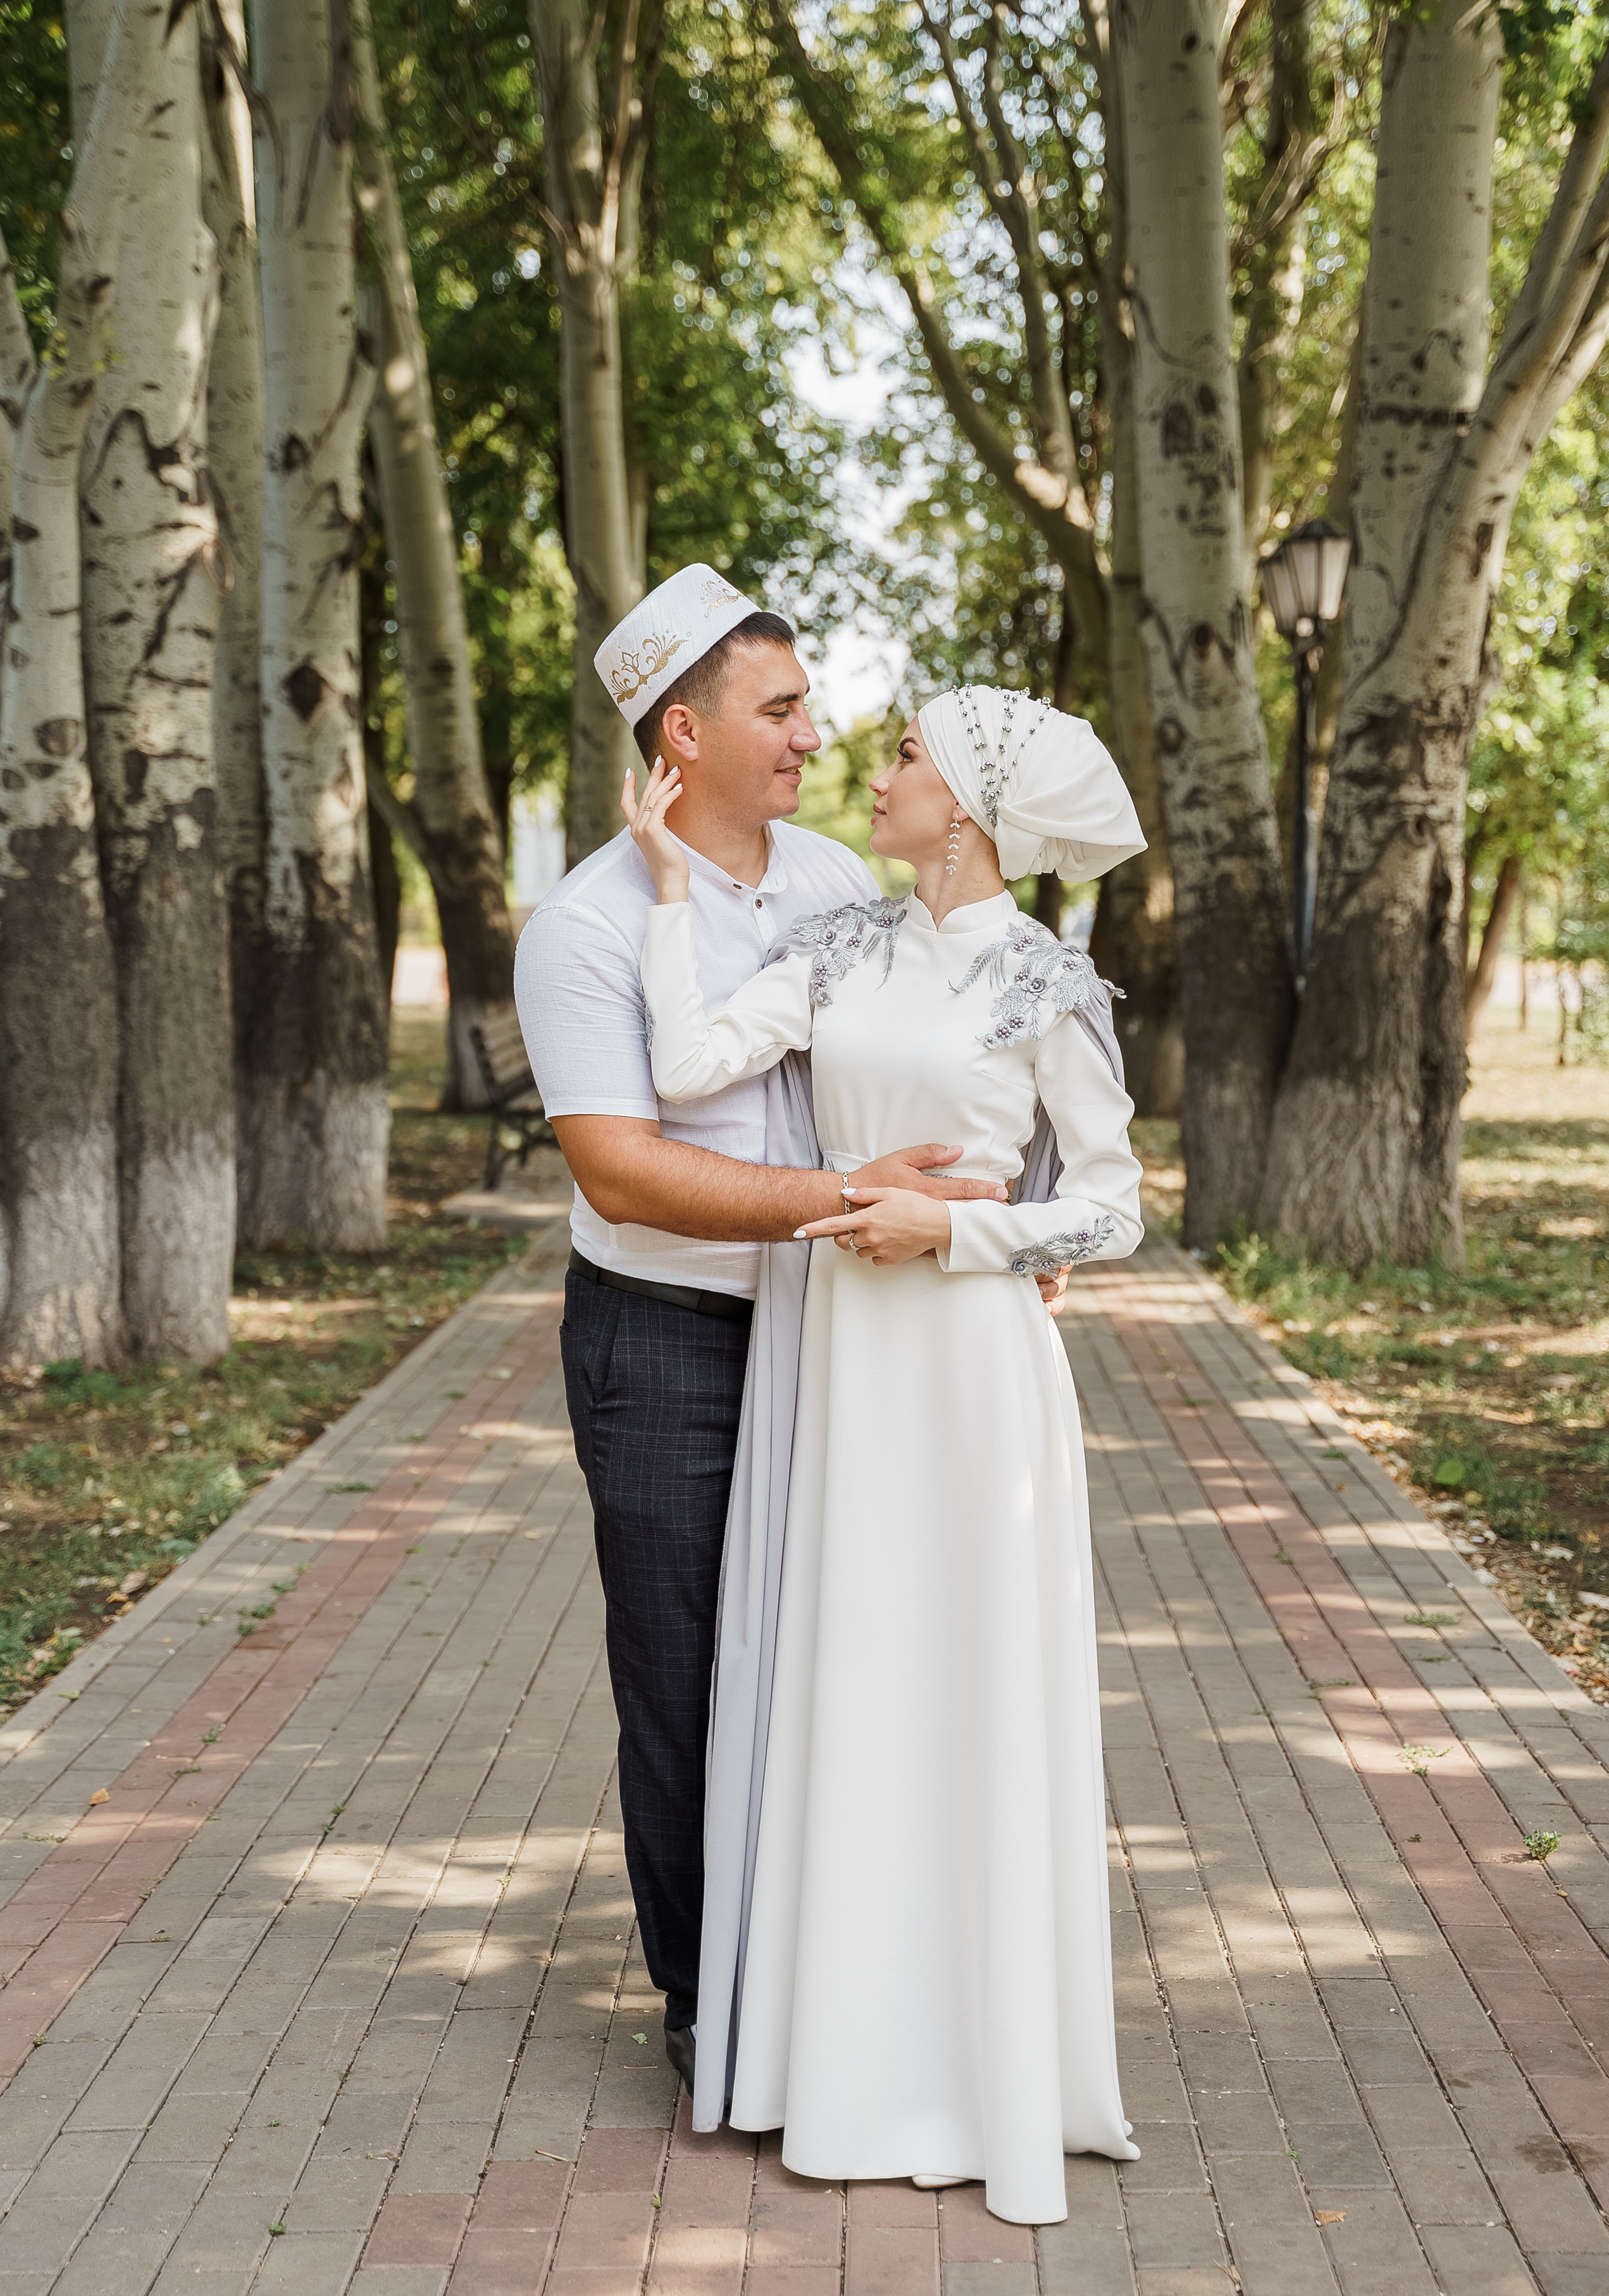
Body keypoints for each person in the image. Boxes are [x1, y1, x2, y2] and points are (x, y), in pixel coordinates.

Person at [624, 681, 1148, 2226]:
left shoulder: (1045, 981)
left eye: (907, 754)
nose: (874, 769)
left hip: (972, 1373)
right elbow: (688, 1067)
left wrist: (961, 1230)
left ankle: (982, 2069)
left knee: (962, 1683)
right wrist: (666, 888)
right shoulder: (842, 943)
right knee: (852, 1675)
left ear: (967, 806)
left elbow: (1112, 1206)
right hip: (843, 1365)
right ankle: (839, 2064)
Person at [513, 566, 1012, 2095]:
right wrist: (844, 1193)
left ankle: (820, 1985)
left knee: (832, 1657)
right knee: (682, 1681)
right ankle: (706, 2017)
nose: (812, 734)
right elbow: (620, 1169)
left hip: (840, 1330)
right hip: (663, 1344)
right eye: (780, 709)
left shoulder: (830, 881)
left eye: (807, 706)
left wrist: (1006, 1225)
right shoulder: (583, 926)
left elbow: (948, 1040)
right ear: (686, 732)